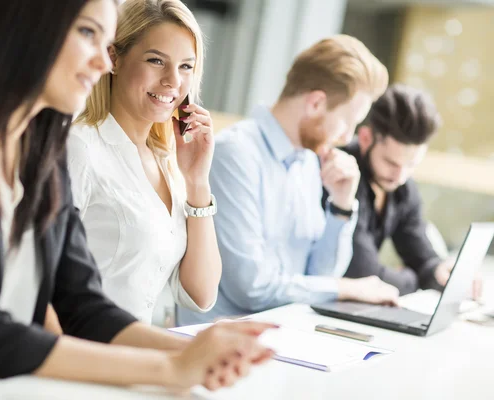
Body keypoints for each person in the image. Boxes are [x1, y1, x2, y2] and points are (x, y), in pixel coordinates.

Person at [0, 0, 276, 398]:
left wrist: (200, 353)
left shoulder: (42, 150)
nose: (102, 61)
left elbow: (83, 304)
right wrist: (170, 367)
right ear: (24, 28)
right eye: (88, 33)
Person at [178, 34, 400, 326]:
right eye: (349, 122)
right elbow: (251, 288)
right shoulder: (236, 154)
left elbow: (322, 277)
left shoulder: (307, 160)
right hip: (223, 349)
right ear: (316, 104)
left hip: (286, 339)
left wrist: (342, 206)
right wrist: (347, 288)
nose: (348, 137)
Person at [67, 0, 221, 324]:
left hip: (135, 356)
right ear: (114, 58)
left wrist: (197, 182)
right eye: (156, 61)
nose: (173, 82)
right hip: (84, 351)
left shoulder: (169, 164)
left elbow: (201, 295)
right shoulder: (79, 147)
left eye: (186, 67)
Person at [337, 84, 482, 297]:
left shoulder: (403, 188)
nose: (400, 176)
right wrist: (413, 279)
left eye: (411, 165)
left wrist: (441, 272)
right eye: (391, 163)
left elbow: (423, 258)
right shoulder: (340, 173)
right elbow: (362, 273)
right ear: (366, 139)